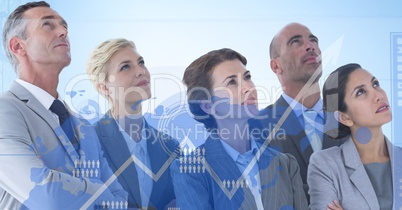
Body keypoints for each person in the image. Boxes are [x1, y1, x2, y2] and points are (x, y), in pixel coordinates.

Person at [0, 1, 127, 209]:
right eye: (48, 25)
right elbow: (47, 196)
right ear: (18, 46)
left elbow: (120, 200)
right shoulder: (5, 110)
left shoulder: (84, 126)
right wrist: (101, 192)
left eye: (64, 26)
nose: (63, 32)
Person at [170, 48, 308, 209]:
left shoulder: (286, 164)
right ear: (208, 106)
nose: (248, 87)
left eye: (247, 77)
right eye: (231, 82)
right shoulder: (189, 170)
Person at [250, 22, 344, 198]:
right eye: (296, 42)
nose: (310, 46)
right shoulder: (255, 127)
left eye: (313, 40)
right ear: (276, 66)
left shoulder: (350, 121)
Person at [86, 38, 180, 209]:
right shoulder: (88, 143)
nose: (140, 71)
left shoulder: (170, 147)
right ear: (104, 87)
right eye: (126, 67)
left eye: (141, 63)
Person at [308, 63, 402, 209]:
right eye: (360, 92)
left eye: (375, 84)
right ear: (344, 118)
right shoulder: (325, 165)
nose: (379, 95)